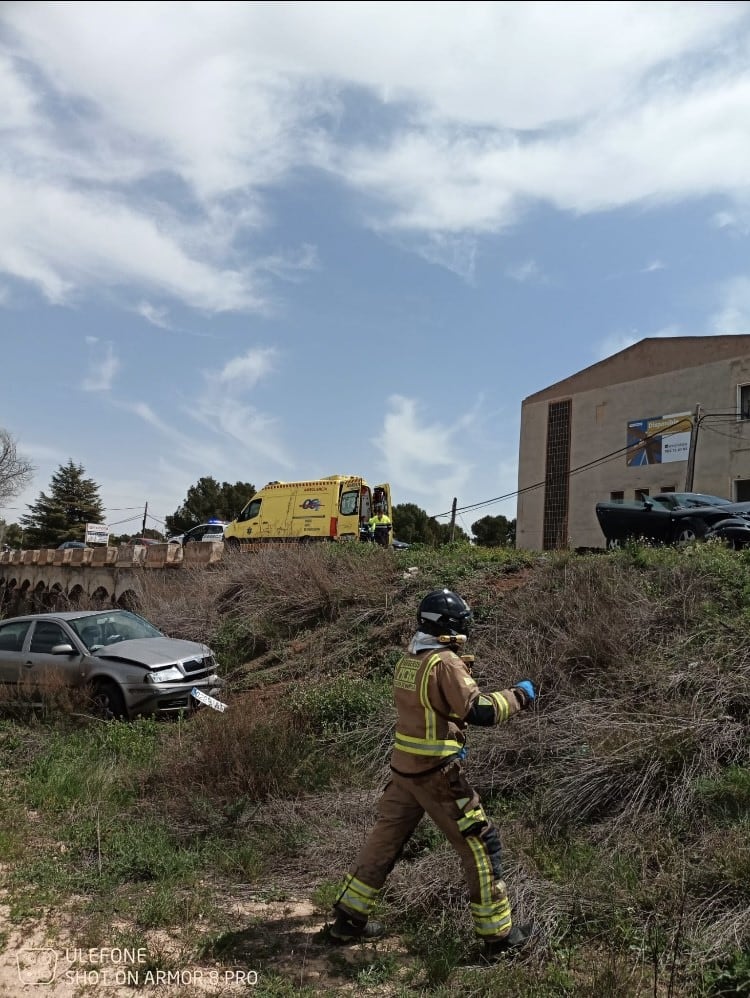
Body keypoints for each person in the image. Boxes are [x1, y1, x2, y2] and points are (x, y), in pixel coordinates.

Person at [329, 588, 536, 960]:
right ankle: (499, 939)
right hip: (438, 775)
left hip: (404, 771)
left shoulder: (409, 659)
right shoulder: (444, 663)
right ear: (449, 627)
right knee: (480, 844)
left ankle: (348, 919)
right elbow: (481, 711)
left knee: (384, 841)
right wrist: (520, 695)